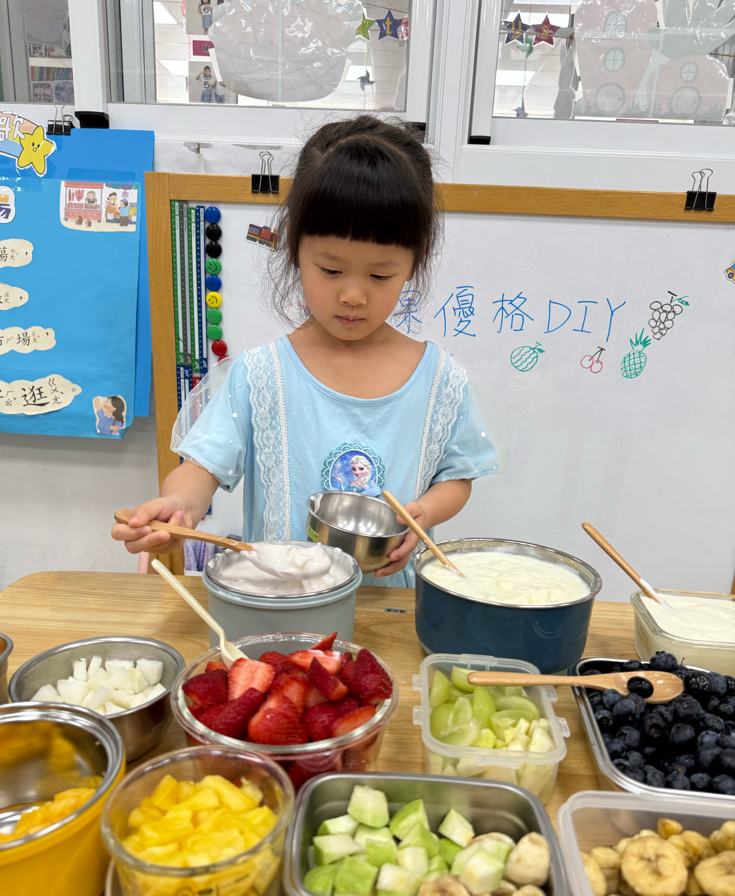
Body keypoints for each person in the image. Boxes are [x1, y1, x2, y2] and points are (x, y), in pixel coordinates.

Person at [112, 115, 497, 584]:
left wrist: (424, 512)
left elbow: (458, 476)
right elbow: (201, 469)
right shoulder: (260, 374)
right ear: (295, 247)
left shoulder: (440, 379)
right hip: (282, 605)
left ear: (415, 262)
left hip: (394, 606)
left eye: (380, 275)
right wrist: (178, 507)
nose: (353, 295)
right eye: (331, 270)